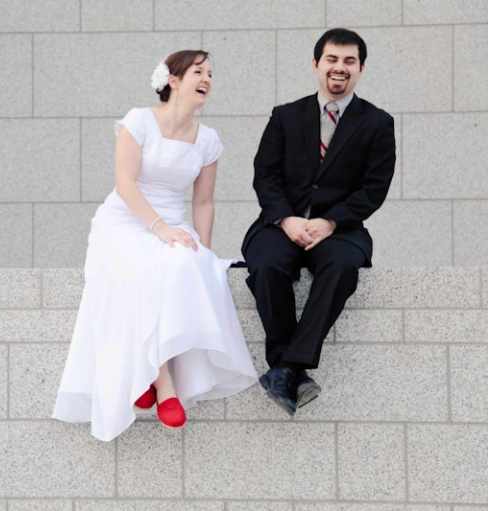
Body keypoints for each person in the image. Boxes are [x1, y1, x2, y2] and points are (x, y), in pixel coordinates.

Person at [53, 50, 257, 441]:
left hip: (174, 224)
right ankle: (163, 385)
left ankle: (148, 378)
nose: (207, 79)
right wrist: (159, 228)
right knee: (146, 268)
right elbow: (126, 183)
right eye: (198, 71)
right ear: (174, 80)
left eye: (211, 73)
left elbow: (203, 202)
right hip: (125, 221)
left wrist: (204, 250)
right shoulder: (138, 121)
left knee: (185, 265)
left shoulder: (209, 140)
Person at [243, 28, 396, 415]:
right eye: (332, 59)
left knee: (343, 267)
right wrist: (285, 218)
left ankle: (287, 367)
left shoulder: (378, 123)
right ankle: (292, 367)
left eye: (349, 61)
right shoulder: (285, 116)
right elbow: (266, 175)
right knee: (267, 264)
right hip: (281, 224)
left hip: (340, 230)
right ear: (316, 64)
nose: (339, 68)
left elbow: (373, 189)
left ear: (361, 69)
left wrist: (330, 221)